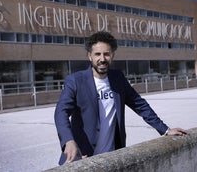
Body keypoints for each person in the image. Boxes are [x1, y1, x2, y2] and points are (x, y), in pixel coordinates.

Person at [54, 31, 187, 165]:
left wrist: (165, 130)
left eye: (106, 54)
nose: (102, 59)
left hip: (112, 158)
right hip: (83, 157)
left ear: (112, 55)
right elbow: (61, 112)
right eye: (97, 54)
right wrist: (68, 141)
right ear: (90, 56)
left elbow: (139, 105)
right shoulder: (76, 81)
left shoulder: (118, 78)